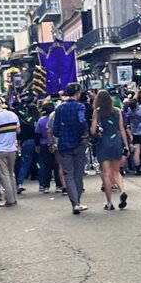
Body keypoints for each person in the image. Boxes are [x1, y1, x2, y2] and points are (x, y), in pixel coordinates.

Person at [51, 83, 89, 214]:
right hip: (78, 143)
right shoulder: (80, 106)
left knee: (68, 174)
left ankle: (75, 203)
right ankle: (78, 201)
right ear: (77, 93)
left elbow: (55, 129)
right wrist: (84, 134)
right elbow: (81, 121)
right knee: (78, 173)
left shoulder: (59, 108)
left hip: (64, 144)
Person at [91, 90, 129, 211]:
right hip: (116, 140)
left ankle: (109, 202)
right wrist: (126, 145)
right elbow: (122, 129)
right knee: (116, 171)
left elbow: (92, 131)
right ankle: (122, 190)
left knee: (106, 173)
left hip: (104, 142)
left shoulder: (97, 112)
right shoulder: (117, 111)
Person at [0, 96, 20, 207]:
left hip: (0, 149)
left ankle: (9, 199)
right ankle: (14, 197)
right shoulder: (13, 115)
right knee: (11, 174)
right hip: (12, 148)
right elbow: (18, 130)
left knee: (4, 175)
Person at [124, 90, 141, 174]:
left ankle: (137, 169)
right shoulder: (140, 110)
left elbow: (133, 101)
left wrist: (136, 92)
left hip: (135, 133)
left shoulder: (129, 112)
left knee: (137, 152)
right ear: (136, 104)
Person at [16, 97, 37, 193]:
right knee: (40, 163)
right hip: (36, 142)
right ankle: (43, 184)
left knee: (25, 163)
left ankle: (19, 182)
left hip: (25, 143)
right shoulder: (36, 120)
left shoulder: (24, 120)